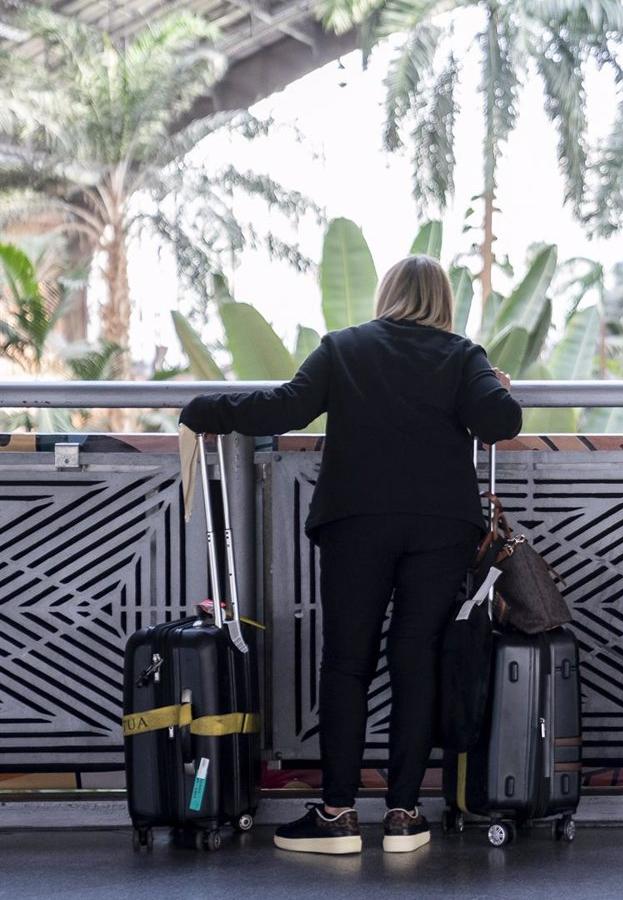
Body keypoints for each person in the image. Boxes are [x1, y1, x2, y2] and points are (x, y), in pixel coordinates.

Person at [180, 256, 521, 854]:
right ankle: (404, 816)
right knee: (416, 659)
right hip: (441, 527)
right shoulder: (463, 355)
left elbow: (284, 409)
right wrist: (494, 382)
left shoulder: (345, 347)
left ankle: (337, 815)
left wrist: (205, 409)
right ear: (444, 302)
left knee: (346, 663)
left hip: (356, 522)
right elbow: (501, 422)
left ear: (386, 293)